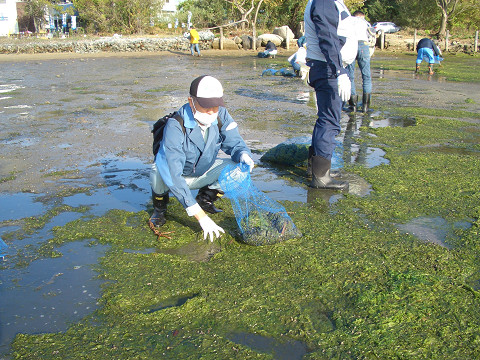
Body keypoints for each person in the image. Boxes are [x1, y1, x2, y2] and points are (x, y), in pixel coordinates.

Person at [149, 75, 255, 242]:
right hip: (177, 177)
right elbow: (172, 172)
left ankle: (205, 198)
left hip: (203, 172)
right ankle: (159, 209)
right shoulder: (175, 125)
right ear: (191, 101)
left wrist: (243, 154)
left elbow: (234, 142)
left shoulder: (222, 115)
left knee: (238, 168)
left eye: (216, 106)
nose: (212, 112)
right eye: (206, 107)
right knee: (157, 170)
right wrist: (200, 216)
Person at [304, 0, 354, 191]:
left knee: (324, 118)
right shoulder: (324, 1)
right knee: (330, 121)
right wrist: (339, 71)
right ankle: (321, 177)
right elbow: (328, 36)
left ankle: (315, 169)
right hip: (328, 68)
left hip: (326, 67)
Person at [346, 10, 376, 113]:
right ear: (362, 16)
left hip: (351, 44)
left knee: (350, 76)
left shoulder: (349, 21)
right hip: (364, 45)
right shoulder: (365, 23)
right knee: (366, 76)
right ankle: (365, 107)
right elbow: (372, 36)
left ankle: (352, 106)